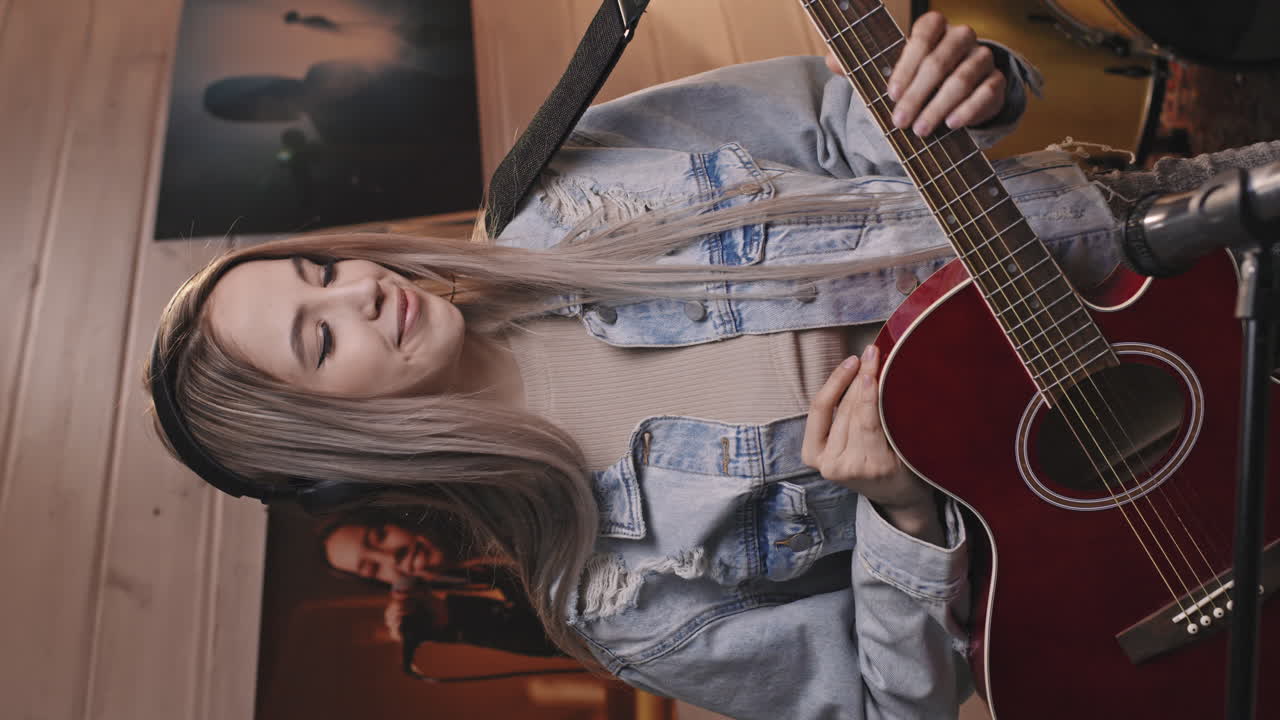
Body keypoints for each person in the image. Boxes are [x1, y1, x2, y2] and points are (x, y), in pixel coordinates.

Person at [146, 11, 1280, 719]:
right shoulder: (608, 592)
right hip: (1155, 527)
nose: (359, 295)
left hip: (1163, 240)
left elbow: (837, 117)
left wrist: (966, 82)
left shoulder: (554, 197)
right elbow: (882, 709)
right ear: (330, 439)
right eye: (319, 338)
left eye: (320, 274)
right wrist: (896, 515)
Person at [321, 513, 563, 657]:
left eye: (380, 536)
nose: (390, 557)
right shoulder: (486, 574)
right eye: (373, 568)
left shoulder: (501, 519)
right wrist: (447, 618)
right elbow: (560, 642)